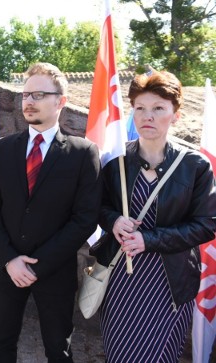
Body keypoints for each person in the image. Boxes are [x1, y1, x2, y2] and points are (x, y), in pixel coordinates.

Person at [0, 62, 102, 362]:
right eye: (25, 95)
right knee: (2, 343)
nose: (29, 101)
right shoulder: (3, 148)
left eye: (38, 94)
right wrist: (10, 259)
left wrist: (38, 265)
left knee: (58, 349)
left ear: (60, 101)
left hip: (55, 272)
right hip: (8, 268)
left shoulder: (82, 153)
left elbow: (84, 219)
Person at [97, 70, 216, 362]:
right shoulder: (116, 161)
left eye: (158, 108)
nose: (147, 116)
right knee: (120, 354)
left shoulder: (195, 166)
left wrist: (147, 239)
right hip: (121, 281)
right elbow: (97, 207)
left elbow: (206, 226)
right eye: (140, 108)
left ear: (175, 114)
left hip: (169, 285)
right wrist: (113, 221)